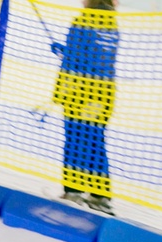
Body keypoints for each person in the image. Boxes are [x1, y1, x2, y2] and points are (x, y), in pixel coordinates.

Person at [52, 0, 119, 215]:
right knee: (94, 141)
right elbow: (95, 56)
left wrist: (60, 92)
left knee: (75, 139)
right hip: (103, 94)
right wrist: (66, 49)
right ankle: (100, 196)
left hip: (81, 93)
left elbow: (73, 62)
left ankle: (74, 191)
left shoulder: (83, 20)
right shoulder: (111, 24)